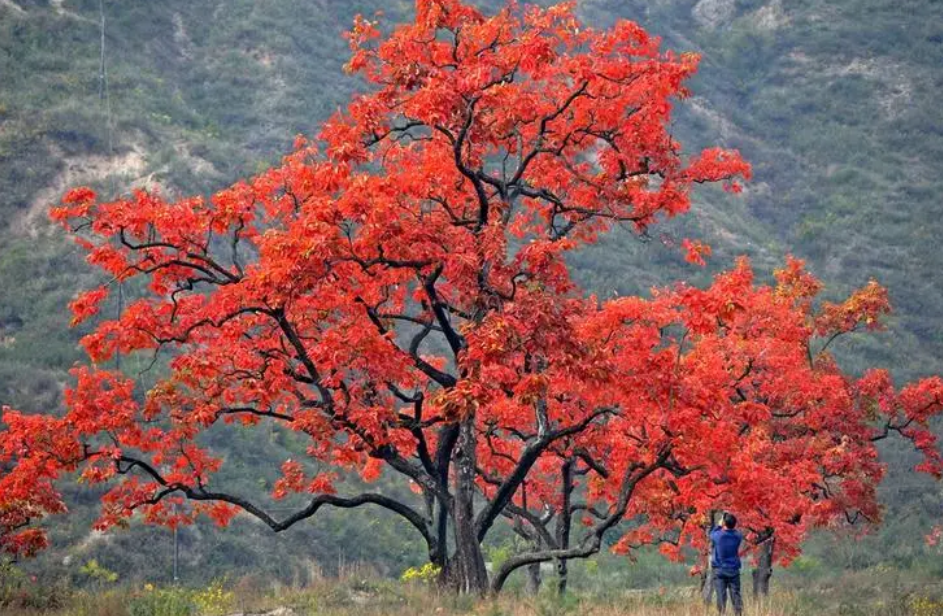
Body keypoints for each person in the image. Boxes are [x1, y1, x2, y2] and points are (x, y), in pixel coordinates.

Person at [710, 512, 744, 615]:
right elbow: (735, 531)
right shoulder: (738, 536)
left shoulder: (718, 536)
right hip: (733, 570)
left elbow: (711, 534)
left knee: (721, 595)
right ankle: (738, 613)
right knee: (736, 594)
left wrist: (719, 524)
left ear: (724, 523)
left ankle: (722, 614)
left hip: (719, 570)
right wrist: (726, 522)